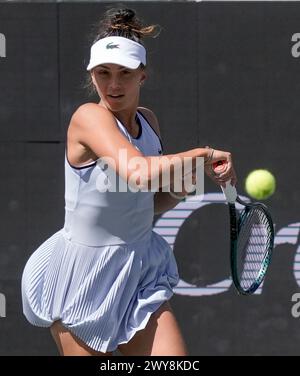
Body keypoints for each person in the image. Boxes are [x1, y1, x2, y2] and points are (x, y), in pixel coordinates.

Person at [21, 8, 236, 356]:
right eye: (103, 73)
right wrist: (205, 153)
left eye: (125, 73)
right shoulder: (87, 118)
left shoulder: (148, 121)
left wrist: (179, 190)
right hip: (82, 277)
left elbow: (144, 202)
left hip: (138, 270)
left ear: (143, 77)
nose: (114, 84)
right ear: (91, 77)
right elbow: (137, 171)